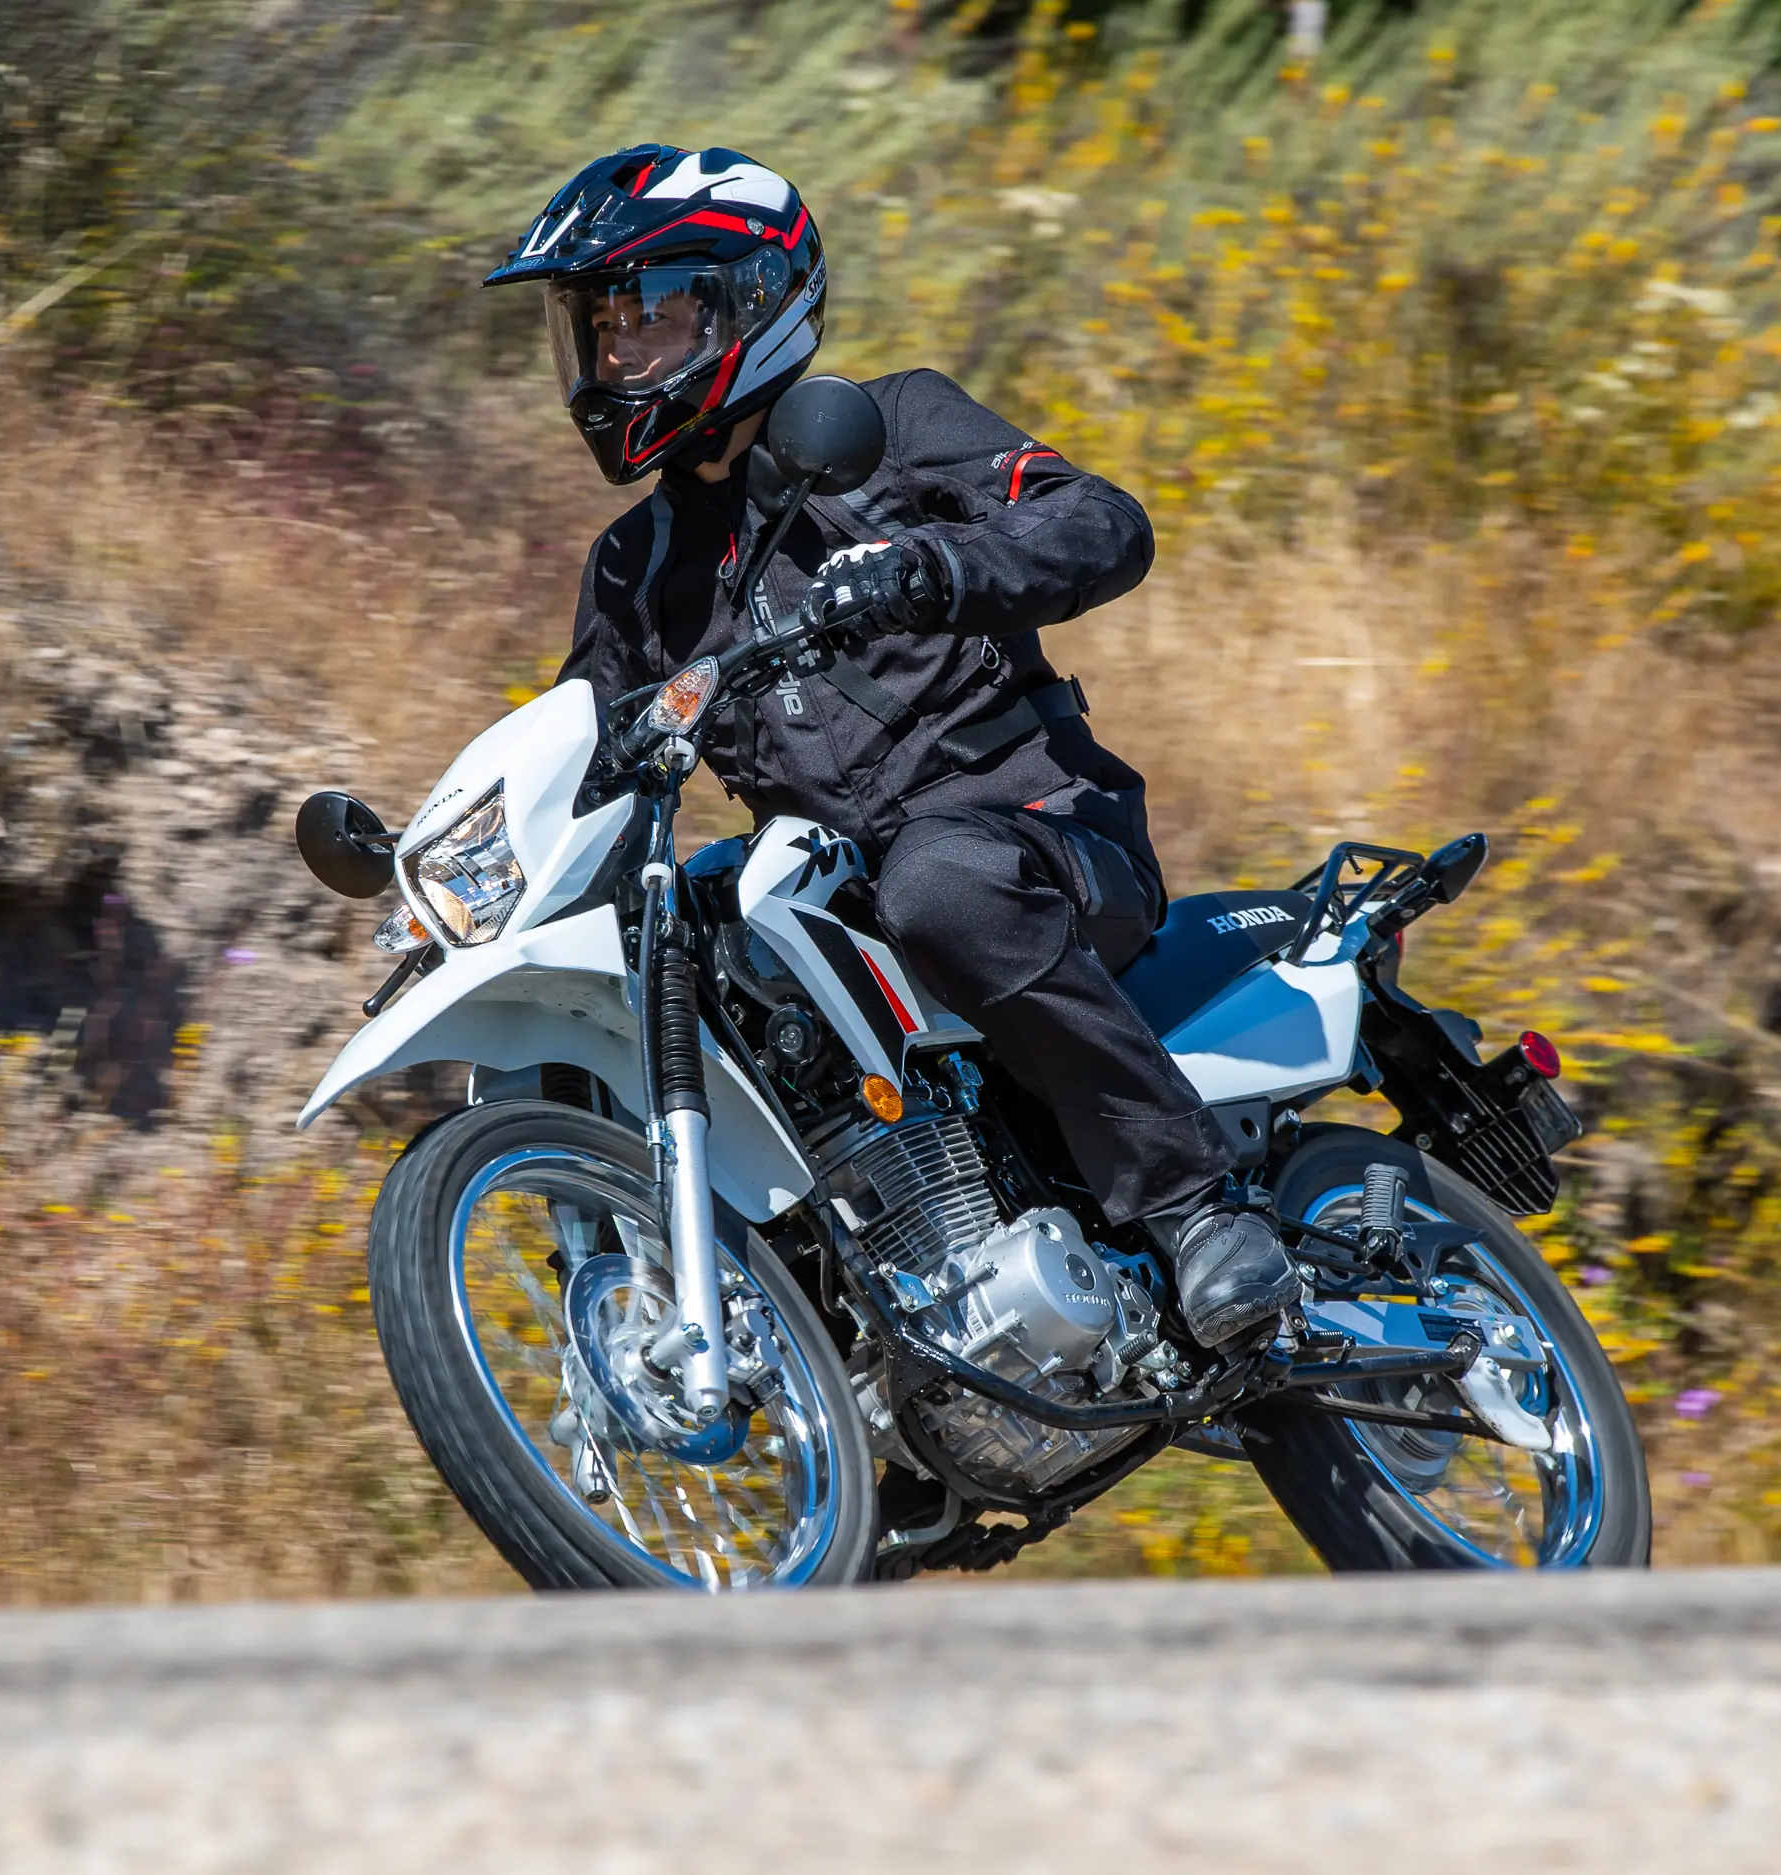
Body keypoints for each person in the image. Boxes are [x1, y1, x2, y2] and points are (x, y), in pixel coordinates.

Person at [486, 145, 1297, 1349]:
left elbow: (1101, 523)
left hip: (1041, 836)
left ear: (748, 302)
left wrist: (940, 568)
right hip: (852, 904)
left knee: (942, 880)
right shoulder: (634, 568)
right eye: (595, 326)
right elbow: (585, 753)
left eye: (645, 315)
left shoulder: (895, 427)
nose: (614, 356)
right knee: (688, 953)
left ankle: (1195, 1208)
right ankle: (853, 1345)